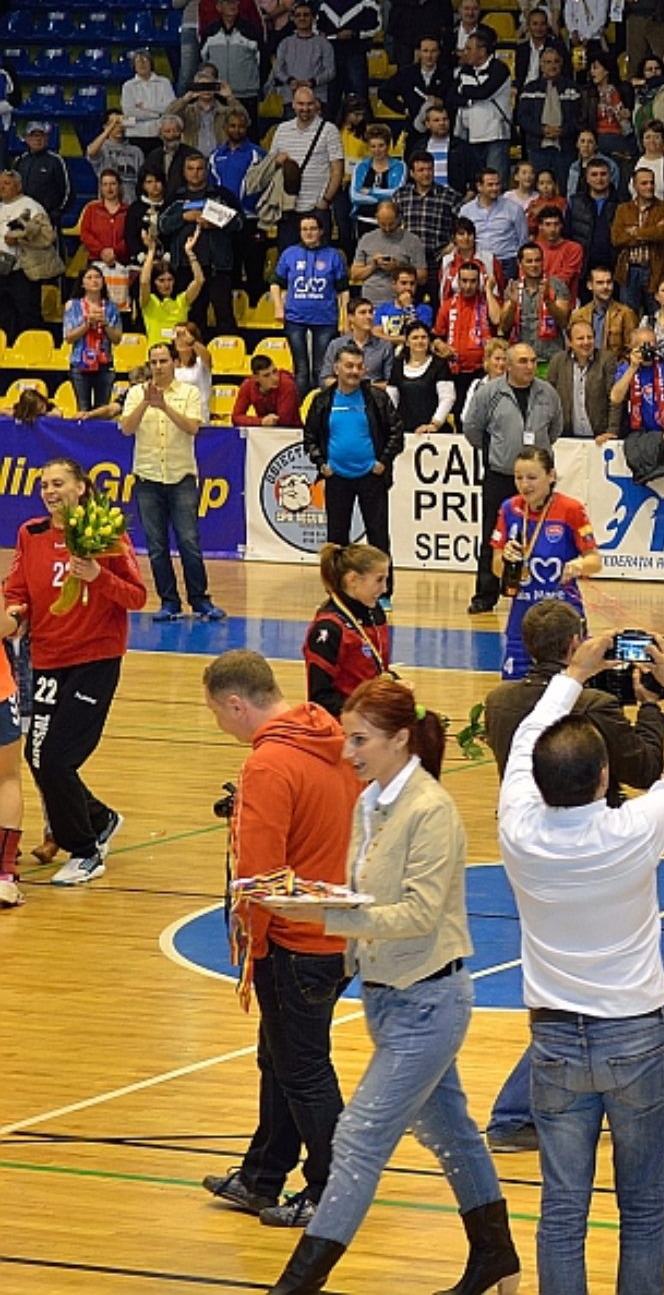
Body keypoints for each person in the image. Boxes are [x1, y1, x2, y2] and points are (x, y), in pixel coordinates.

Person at [252, 676, 521, 1295]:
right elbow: (367, 893)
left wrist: (322, 917)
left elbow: (417, 915)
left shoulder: (432, 811)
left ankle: (296, 1285)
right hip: (387, 999)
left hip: (431, 1003)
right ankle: (495, 1257)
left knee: (358, 1138)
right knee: (451, 1131)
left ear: (401, 740)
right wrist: (340, 943)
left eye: (361, 740)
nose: (349, 753)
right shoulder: (370, 801)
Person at [496, 628, 664, 1295]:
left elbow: (526, 744)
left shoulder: (518, 831)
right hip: (636, 1039)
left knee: (562, 1210)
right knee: (642, 1207)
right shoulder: (631, 831)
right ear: (603, 778)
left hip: (554, 1042)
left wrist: (570, 676)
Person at [199, 651, 352, 1229]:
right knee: (282, 1059)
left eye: (218, 713)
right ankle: (263, 1176)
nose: (220, 724)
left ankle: (333, 1191)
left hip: (295, 940)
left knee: (304, 1069)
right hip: (338, 929)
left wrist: (254, 948)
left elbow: (260, 873)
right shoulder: (330, 734)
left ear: (237, 703)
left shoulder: (269, 765)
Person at [3, 458, 144, 886]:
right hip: (46, 658)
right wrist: (14, 614)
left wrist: (99, 575)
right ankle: (100, 820)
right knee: (38, 756)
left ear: (81, 488)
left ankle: (85, 850)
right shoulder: (31, 534)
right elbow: (18, 592)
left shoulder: (107, 534)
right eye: (44, 484)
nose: (49, 490)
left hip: (95, 661)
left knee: (58, 759)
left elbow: (136, 597)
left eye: (58, 482)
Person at [118, 339, 220, 622]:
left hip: (181, 475)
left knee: (189, 541)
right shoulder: (136, 393)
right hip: (148, 476)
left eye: (164, 361)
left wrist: (163, 406)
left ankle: (200, 600)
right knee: (156, 544)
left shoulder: (188, 392)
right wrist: (146, 404)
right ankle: (169, 602)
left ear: (174, 363)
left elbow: (192, 428)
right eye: (154, 362)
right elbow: (126, 429)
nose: (159, 366)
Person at [462, 345, 567, 615]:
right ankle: (485, 595)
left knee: (542, 534)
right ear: (508, 365)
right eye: (523, 361)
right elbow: (472, 429)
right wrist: (499, 451)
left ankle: (541, 592)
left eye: (533, 361)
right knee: (492, 535)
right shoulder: (489, 393)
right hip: (501, 475)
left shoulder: (548, 393)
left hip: (539, 481)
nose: (530, 366)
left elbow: (555, 429)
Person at [493, 445, 602, 681]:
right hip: (522, 621)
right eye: (518, 478)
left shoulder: (570, 509)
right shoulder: (509, 509)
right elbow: (495, 568)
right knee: (514, 692)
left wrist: (578, 565)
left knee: (569, 692)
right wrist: (506, 560)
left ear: (551, 476)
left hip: (563, 620)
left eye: (532, 477)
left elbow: (595, 560)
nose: (524, 485)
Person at [304, 343, 404, 564]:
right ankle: (337, 593)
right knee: (336, 542)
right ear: (336, 368)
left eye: (359, 367)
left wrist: (383, 461)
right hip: (337, 478)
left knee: (378, 538)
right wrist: (321, 463)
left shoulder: (377, 398)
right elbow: (310, 436)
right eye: (349, 366)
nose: (354, 371)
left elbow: (396, 433)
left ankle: (383, 593)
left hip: (372, 478)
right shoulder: (322, 400)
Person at [302, 542, 391, 715]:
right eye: (379, 580)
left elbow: (374, 670)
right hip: (343, 725)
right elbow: (320, 698)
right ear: (353, 580)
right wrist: (363, 714)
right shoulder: (329, 628)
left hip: (371, 718)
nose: (385, 588)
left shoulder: (376, 613)